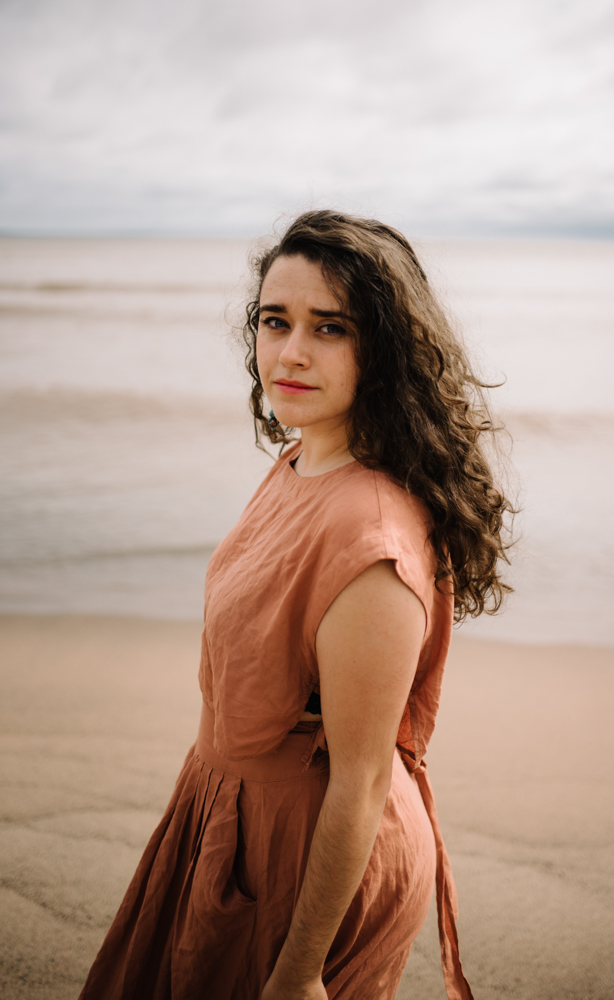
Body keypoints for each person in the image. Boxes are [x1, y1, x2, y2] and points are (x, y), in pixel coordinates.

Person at [78, 210, 512, 1000]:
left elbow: (362, 779)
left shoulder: (370, 537)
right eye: (276, 321)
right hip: (229, 816)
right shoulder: (303, 457)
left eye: (331, 328)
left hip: (306, 857)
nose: (292, 352)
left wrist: (300, 967)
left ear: (385, 350)